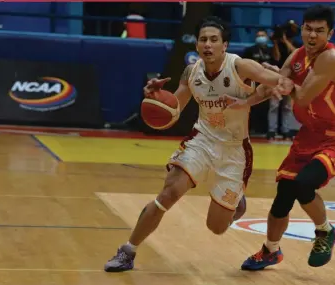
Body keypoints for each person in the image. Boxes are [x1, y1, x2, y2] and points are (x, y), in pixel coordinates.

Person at [104, 16, 294, 272]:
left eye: (214, 40)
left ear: (224, 45)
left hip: (234, 151)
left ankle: (237, 201)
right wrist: (157, 98)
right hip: (201, 141)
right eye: (203, 39)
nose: (208, 44)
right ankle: (128, 251)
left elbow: (280, 82)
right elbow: (174, 111)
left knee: (216, 227)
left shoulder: (241, 67)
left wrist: (277, 83)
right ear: (196, 45)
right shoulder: (191, 72)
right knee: (168, 193)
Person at [240, 5, 335, 270]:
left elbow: (301, 97)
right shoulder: (296, 56)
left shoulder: (332, 58)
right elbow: (273, 86)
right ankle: (270, 250)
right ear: (302, 28)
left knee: (305, 184)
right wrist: (241, 102)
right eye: (308, 29)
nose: (312, 35)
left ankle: (325, 231)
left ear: (330, 33)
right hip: (308, 135)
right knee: (284, 192)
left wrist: (284, 82)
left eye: (319, 31)